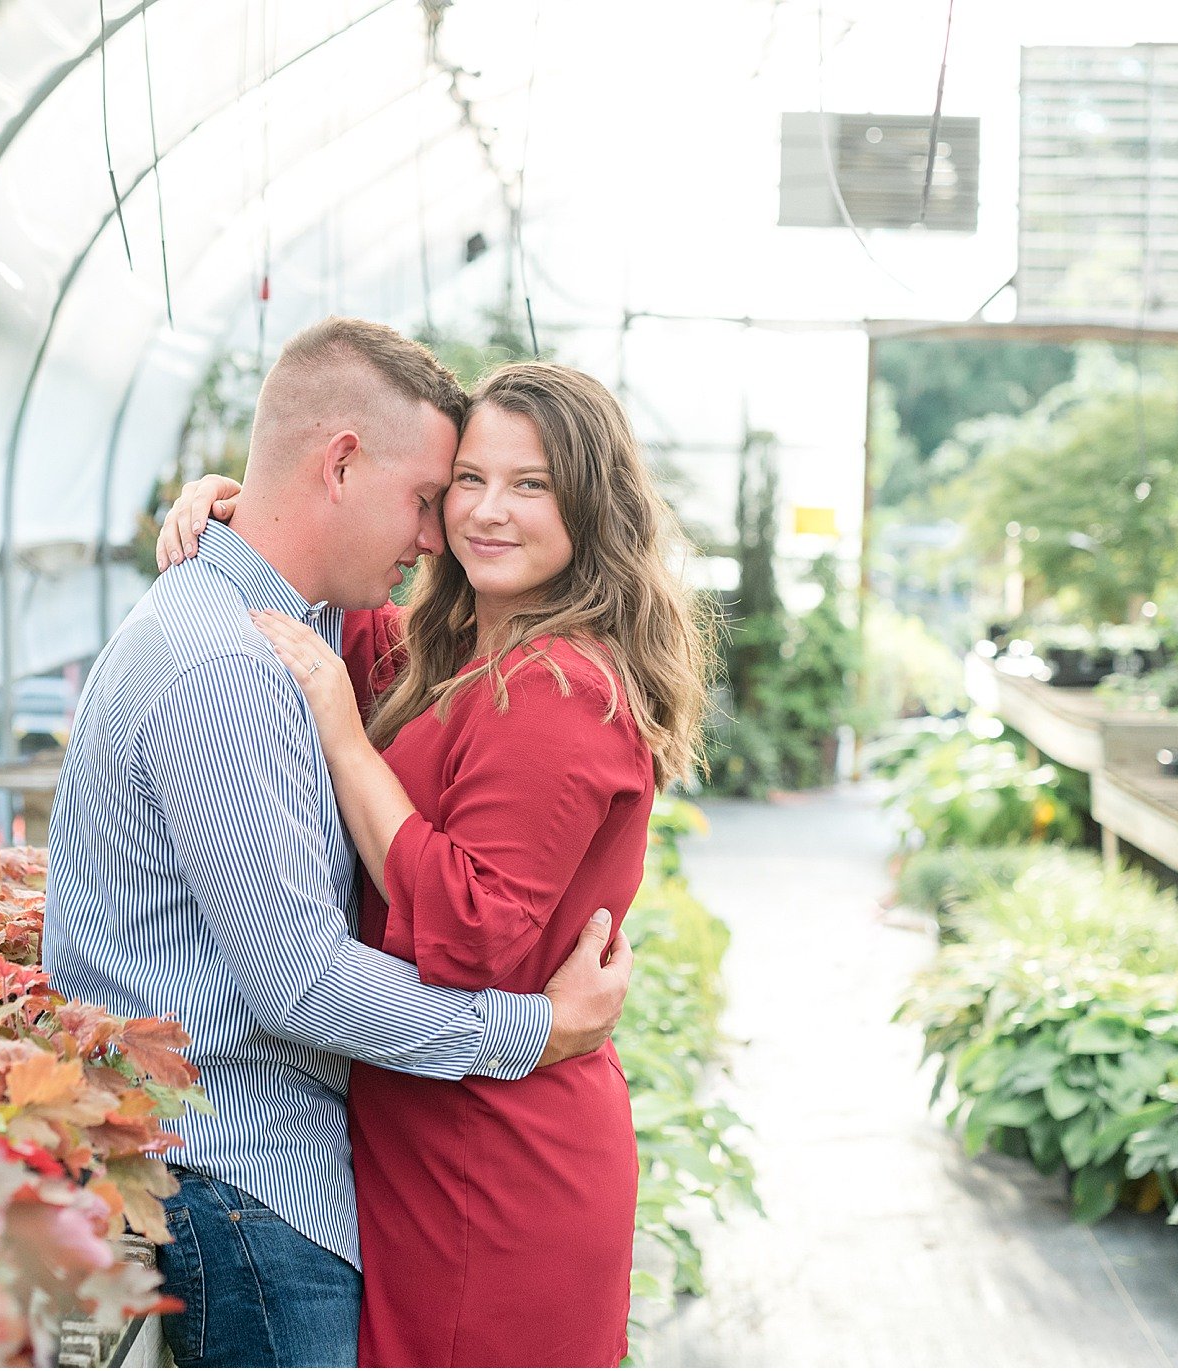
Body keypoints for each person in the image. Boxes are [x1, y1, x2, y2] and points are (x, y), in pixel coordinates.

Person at [43, 319, 634, 1370]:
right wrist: (531, 1030)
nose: (444, 532)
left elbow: (473, 923)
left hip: (432, 1154)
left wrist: (242, 524)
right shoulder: (261, 654)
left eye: (528, 486)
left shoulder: (520, 679)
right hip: (259, 1167)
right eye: (443, 491)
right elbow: (301, 986)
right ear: (343, 465)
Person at [160, 360, 712, 1366]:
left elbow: (474, 932)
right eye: (467, 480)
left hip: (493, 1161)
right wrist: (241, 509)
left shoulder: (557, 687)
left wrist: (343, 738)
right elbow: (338, 603)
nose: (486, 513)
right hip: (431, 1130)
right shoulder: (464, 646)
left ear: (591, 506)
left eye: (530, 485)